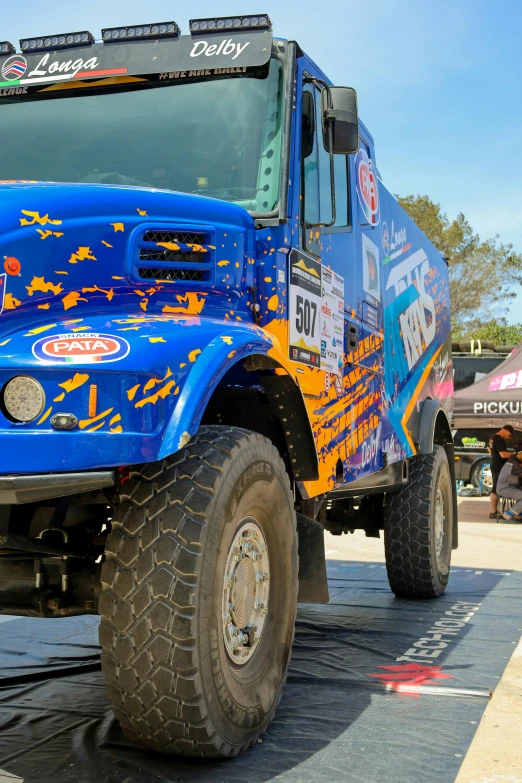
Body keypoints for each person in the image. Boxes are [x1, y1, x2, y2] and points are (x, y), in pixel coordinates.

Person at [488, 425, 514, 519]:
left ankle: (494, 511)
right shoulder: (498, 439)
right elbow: (503, 454)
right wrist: (515, 455)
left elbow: (489, 450)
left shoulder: (492, 437)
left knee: (495, 488)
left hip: (495, 465)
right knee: (495, 489)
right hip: (498, 467)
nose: (509, 438)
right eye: (510, 435)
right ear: (506, 430)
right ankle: (493, 512)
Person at [496, 440, 522, 523]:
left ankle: (518, 516)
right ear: (520, 453)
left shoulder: (514, 461)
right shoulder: (513, 464)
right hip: (505, 488)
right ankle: (508, 514)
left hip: (511, 487)